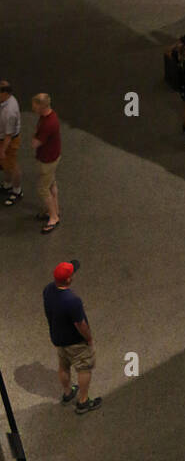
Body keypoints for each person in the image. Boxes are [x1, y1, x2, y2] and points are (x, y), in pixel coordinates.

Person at [43, 261, 102, 416]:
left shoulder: (48, 289)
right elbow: (80, 324)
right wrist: (89, 339)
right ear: (68, 280)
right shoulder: (72, 300)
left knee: (63, 366)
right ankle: (83, 401)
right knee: (84, 368)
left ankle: (68, 392)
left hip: (58, 338)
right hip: (75, 342)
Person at [32, 92, 61, 233]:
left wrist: (34, 137)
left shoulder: (47, 124)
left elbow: (35, 143)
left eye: (35, 105)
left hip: (47, 160)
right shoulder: (51, 116)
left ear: (41, 106)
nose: (33, 107)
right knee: (51, 184)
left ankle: (54, 217)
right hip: (53, 156)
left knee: (43, 189)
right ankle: (55, 210)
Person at [0, 81, 23, 206]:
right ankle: (7, 185)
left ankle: (17, 190)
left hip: (8, 141)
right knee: (6, 164)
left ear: (5, 93)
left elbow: (9, 136)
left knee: (12, 165)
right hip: (3, 138)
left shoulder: (10, 112)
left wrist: (2, 150)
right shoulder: (4, 101)